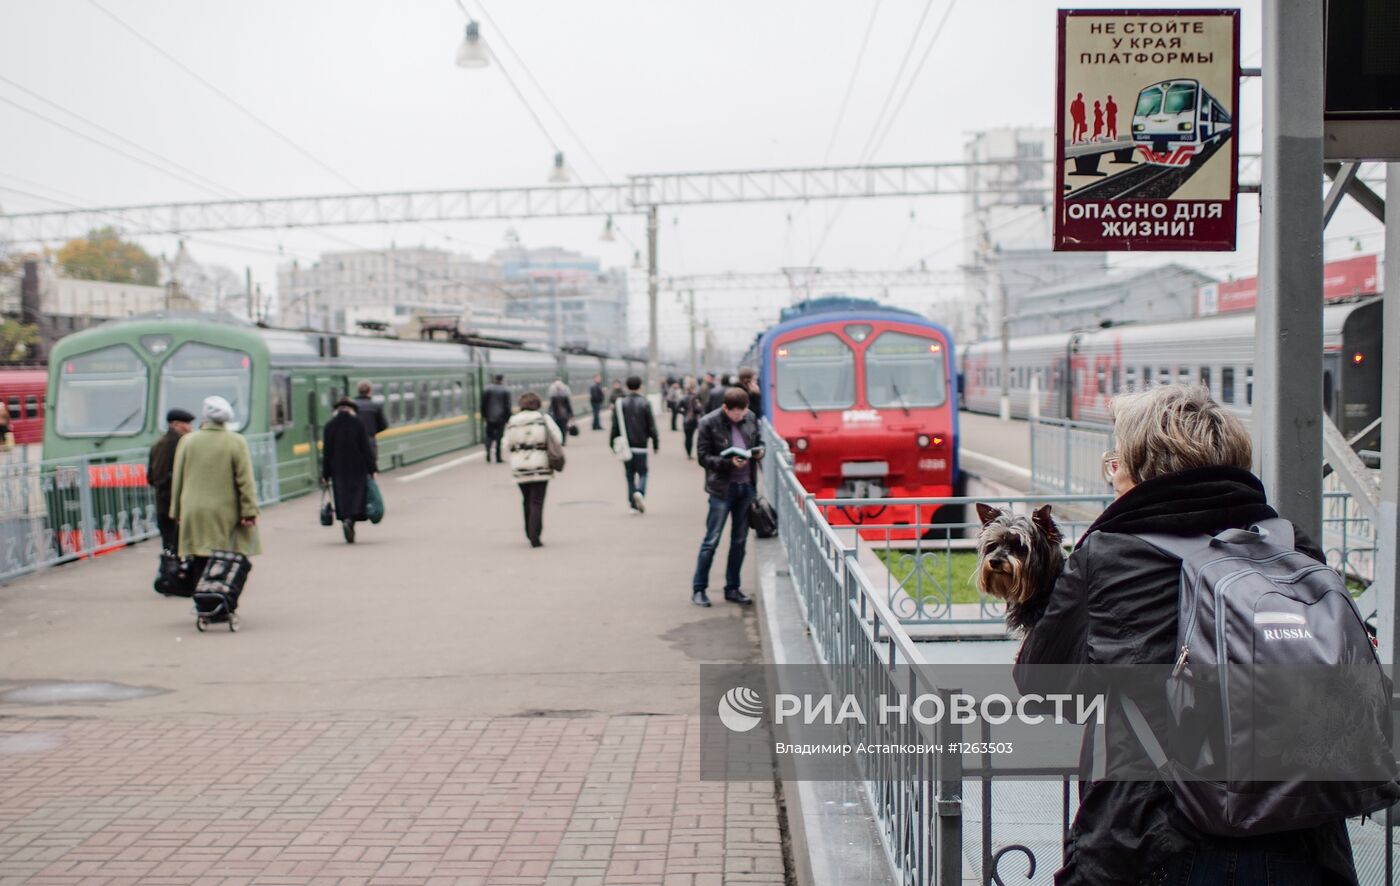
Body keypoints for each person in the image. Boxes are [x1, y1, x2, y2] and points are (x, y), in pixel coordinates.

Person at [1013, 384, 1360, 885]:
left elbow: (1041, 683)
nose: (1112, 475)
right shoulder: (1290, 544)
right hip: (1300, 838)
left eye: (1115, 461)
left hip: (1154, 840)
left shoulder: (1113, 555)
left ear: (1139, 468)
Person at [169, 396, 260, 613]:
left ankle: (203, 602)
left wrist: (177, 510)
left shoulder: (188, 441)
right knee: (229, 558)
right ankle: (223, 601)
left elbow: (178, 479)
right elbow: (244, 480)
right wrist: (249, 511)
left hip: (194, 509)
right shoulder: (236, 441)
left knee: (201, 557)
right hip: (226, 511)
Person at [691, 387, 763, 607]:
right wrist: (727, 463)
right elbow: (703, 457)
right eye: (735, 414)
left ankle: (733, 588)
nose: (740, 417)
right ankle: (699, 589)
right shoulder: (709, 423)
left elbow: (759, 441)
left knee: (739, 541)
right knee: (711, 540)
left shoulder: (751, 418)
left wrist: (760, 452)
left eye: (742, 413)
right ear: (725, 408)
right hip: (722, 489)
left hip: (746, 487)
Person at [505, 391, 563, 548]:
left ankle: (528, 530)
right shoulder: (543, 418)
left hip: (520, 466)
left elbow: (506, 443)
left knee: (526, 500)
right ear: (537, 404)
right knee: (537, 501)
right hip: (540, 465)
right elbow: (557, 438)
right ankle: (535, 535)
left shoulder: (513, 420)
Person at [321, 397, 377, 544]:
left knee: (342, 497)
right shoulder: (358, 424)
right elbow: (366, 448)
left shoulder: (329, 426)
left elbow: (326, 453)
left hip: (337, 469)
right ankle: (351, 521)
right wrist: (372, 469)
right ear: (351, 409)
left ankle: (346, 519)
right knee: (357, 497)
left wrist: (325, 474)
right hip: (358, 468)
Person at [148, 408, 195, 552]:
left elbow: (151, 476)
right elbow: (170, 475)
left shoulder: (158, 444)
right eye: (186, 424)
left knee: (169, 545)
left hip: (163, 501)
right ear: (174, 424)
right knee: (178, 545)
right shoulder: (179, 444)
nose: (190, 427)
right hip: (174, 502)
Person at [610, 375, 659, 512]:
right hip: (641, 446)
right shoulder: (645, 403)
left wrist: (612, 443)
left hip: (626, 446)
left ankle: (632, 505)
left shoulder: (620, 404)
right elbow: (652, 426)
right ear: (640, 386)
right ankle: (640, 492)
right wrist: (655, 443)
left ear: (626, 386)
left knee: (629, 476)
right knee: (643, 473)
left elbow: (615, 427)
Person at [352, 380, 388, 459]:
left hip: (354, 443)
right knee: (370, 468)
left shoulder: (351, 407)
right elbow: (384, 425)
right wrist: (372, 431)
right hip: (370, 443)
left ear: (358, 391)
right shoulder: (375, 406)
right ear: (370, 391)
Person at [481, 374, 512, 463]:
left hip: (489, 418)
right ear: (502, 380)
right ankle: (498, 457)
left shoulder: (487, 389)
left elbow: (483, 404)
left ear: (494, 379)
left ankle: (488, 455)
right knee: (499, 438)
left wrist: (484, 416)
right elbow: (507, 406)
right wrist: (508, 418)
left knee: (489, 436)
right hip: (501, 418)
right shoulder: (505, 390)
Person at [681, 377, 703, 459]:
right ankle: (693, 453)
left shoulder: (684, 397)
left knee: (688, 437)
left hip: (686, 420)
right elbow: (699, 409)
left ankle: (688, 453)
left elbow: (678, 407)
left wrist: (684, 413)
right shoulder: (696, 397)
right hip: (694, 420)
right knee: (695, 437)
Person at [547, 379, 574, 445]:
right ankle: (563, 440)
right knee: (563, 428)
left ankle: (560, 440)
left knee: (558, 428)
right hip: (564, 415)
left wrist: (548, 413)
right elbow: (568, 406)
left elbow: (551, 407)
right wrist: (571, 414)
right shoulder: (565, 396)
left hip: (556, 415)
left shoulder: (553, 397)